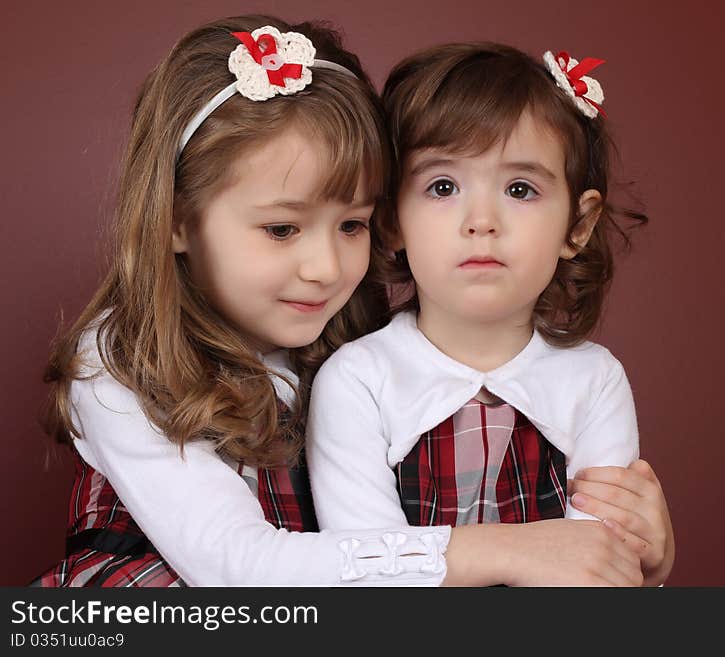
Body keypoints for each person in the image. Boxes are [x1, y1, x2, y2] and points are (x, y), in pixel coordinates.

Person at [33, 16, 652, 587]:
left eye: (353, 225)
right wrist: (511, 551)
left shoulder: (355, 346)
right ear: (176, 219)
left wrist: (640, 555)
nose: (327, 268)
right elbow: (236, 567)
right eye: (281, 229)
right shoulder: (123, 364)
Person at [307, 42, 675, 586]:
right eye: (442, 187)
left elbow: (598, 569)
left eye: (520, 189)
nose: (481, 220)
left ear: (578, 225)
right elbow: (369, 574)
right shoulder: (358, 381)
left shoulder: (593, 381)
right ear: (390, 223)